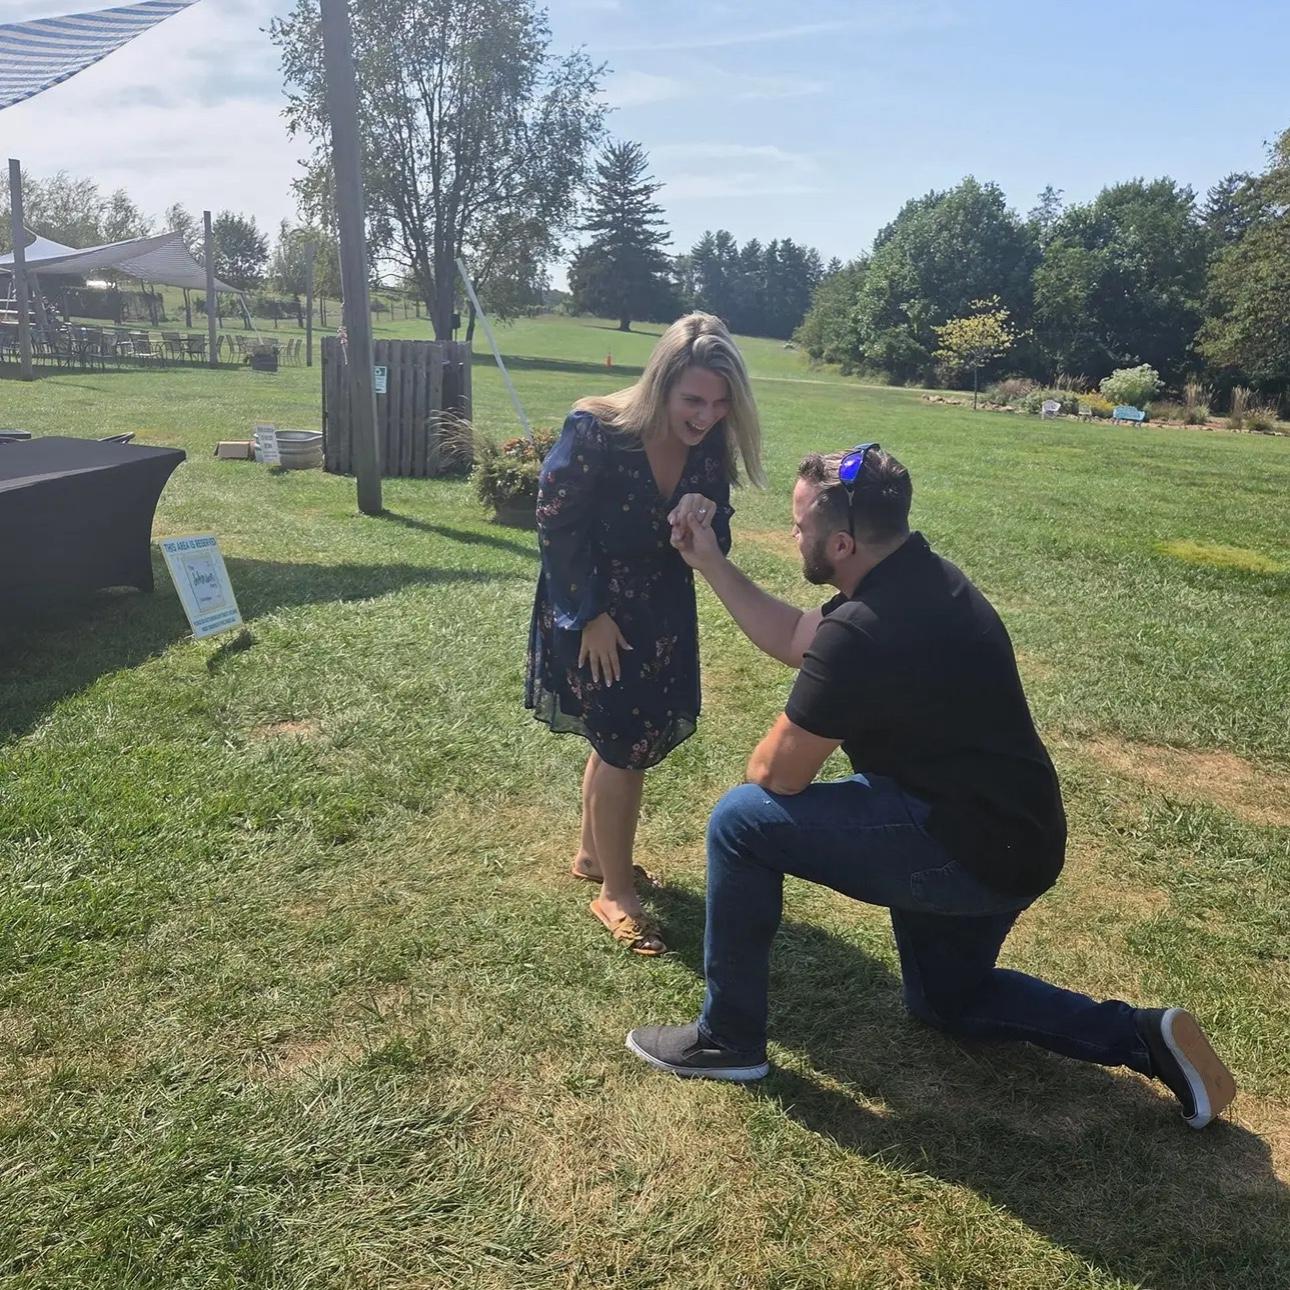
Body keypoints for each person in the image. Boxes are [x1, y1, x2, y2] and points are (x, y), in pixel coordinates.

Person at [625, 444, 1237, 1130]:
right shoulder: (924, 577)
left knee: (741, 821)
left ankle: (728, 1037)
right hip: (1020, 840)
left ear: (842, 544)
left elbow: (775, 774)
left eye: (799, 526)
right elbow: (798, 633)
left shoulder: (863, 632)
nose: (793, 535)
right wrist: (709, 560)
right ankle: (1143, 1036)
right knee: (947, 1000)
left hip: (960, 848)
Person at [525, 313, 764, 956]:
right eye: (694, 400)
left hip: (661, 610)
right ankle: (616, 893)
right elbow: (555, 525)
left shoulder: (708, 444)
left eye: (721, 403)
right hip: (593, 612)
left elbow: (717, 533)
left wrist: (703, 515)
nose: (707, 416)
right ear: (661, 383)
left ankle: (592, 856)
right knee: (624, 749)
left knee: (617, 738)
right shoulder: (596, 429)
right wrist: (589, 617)